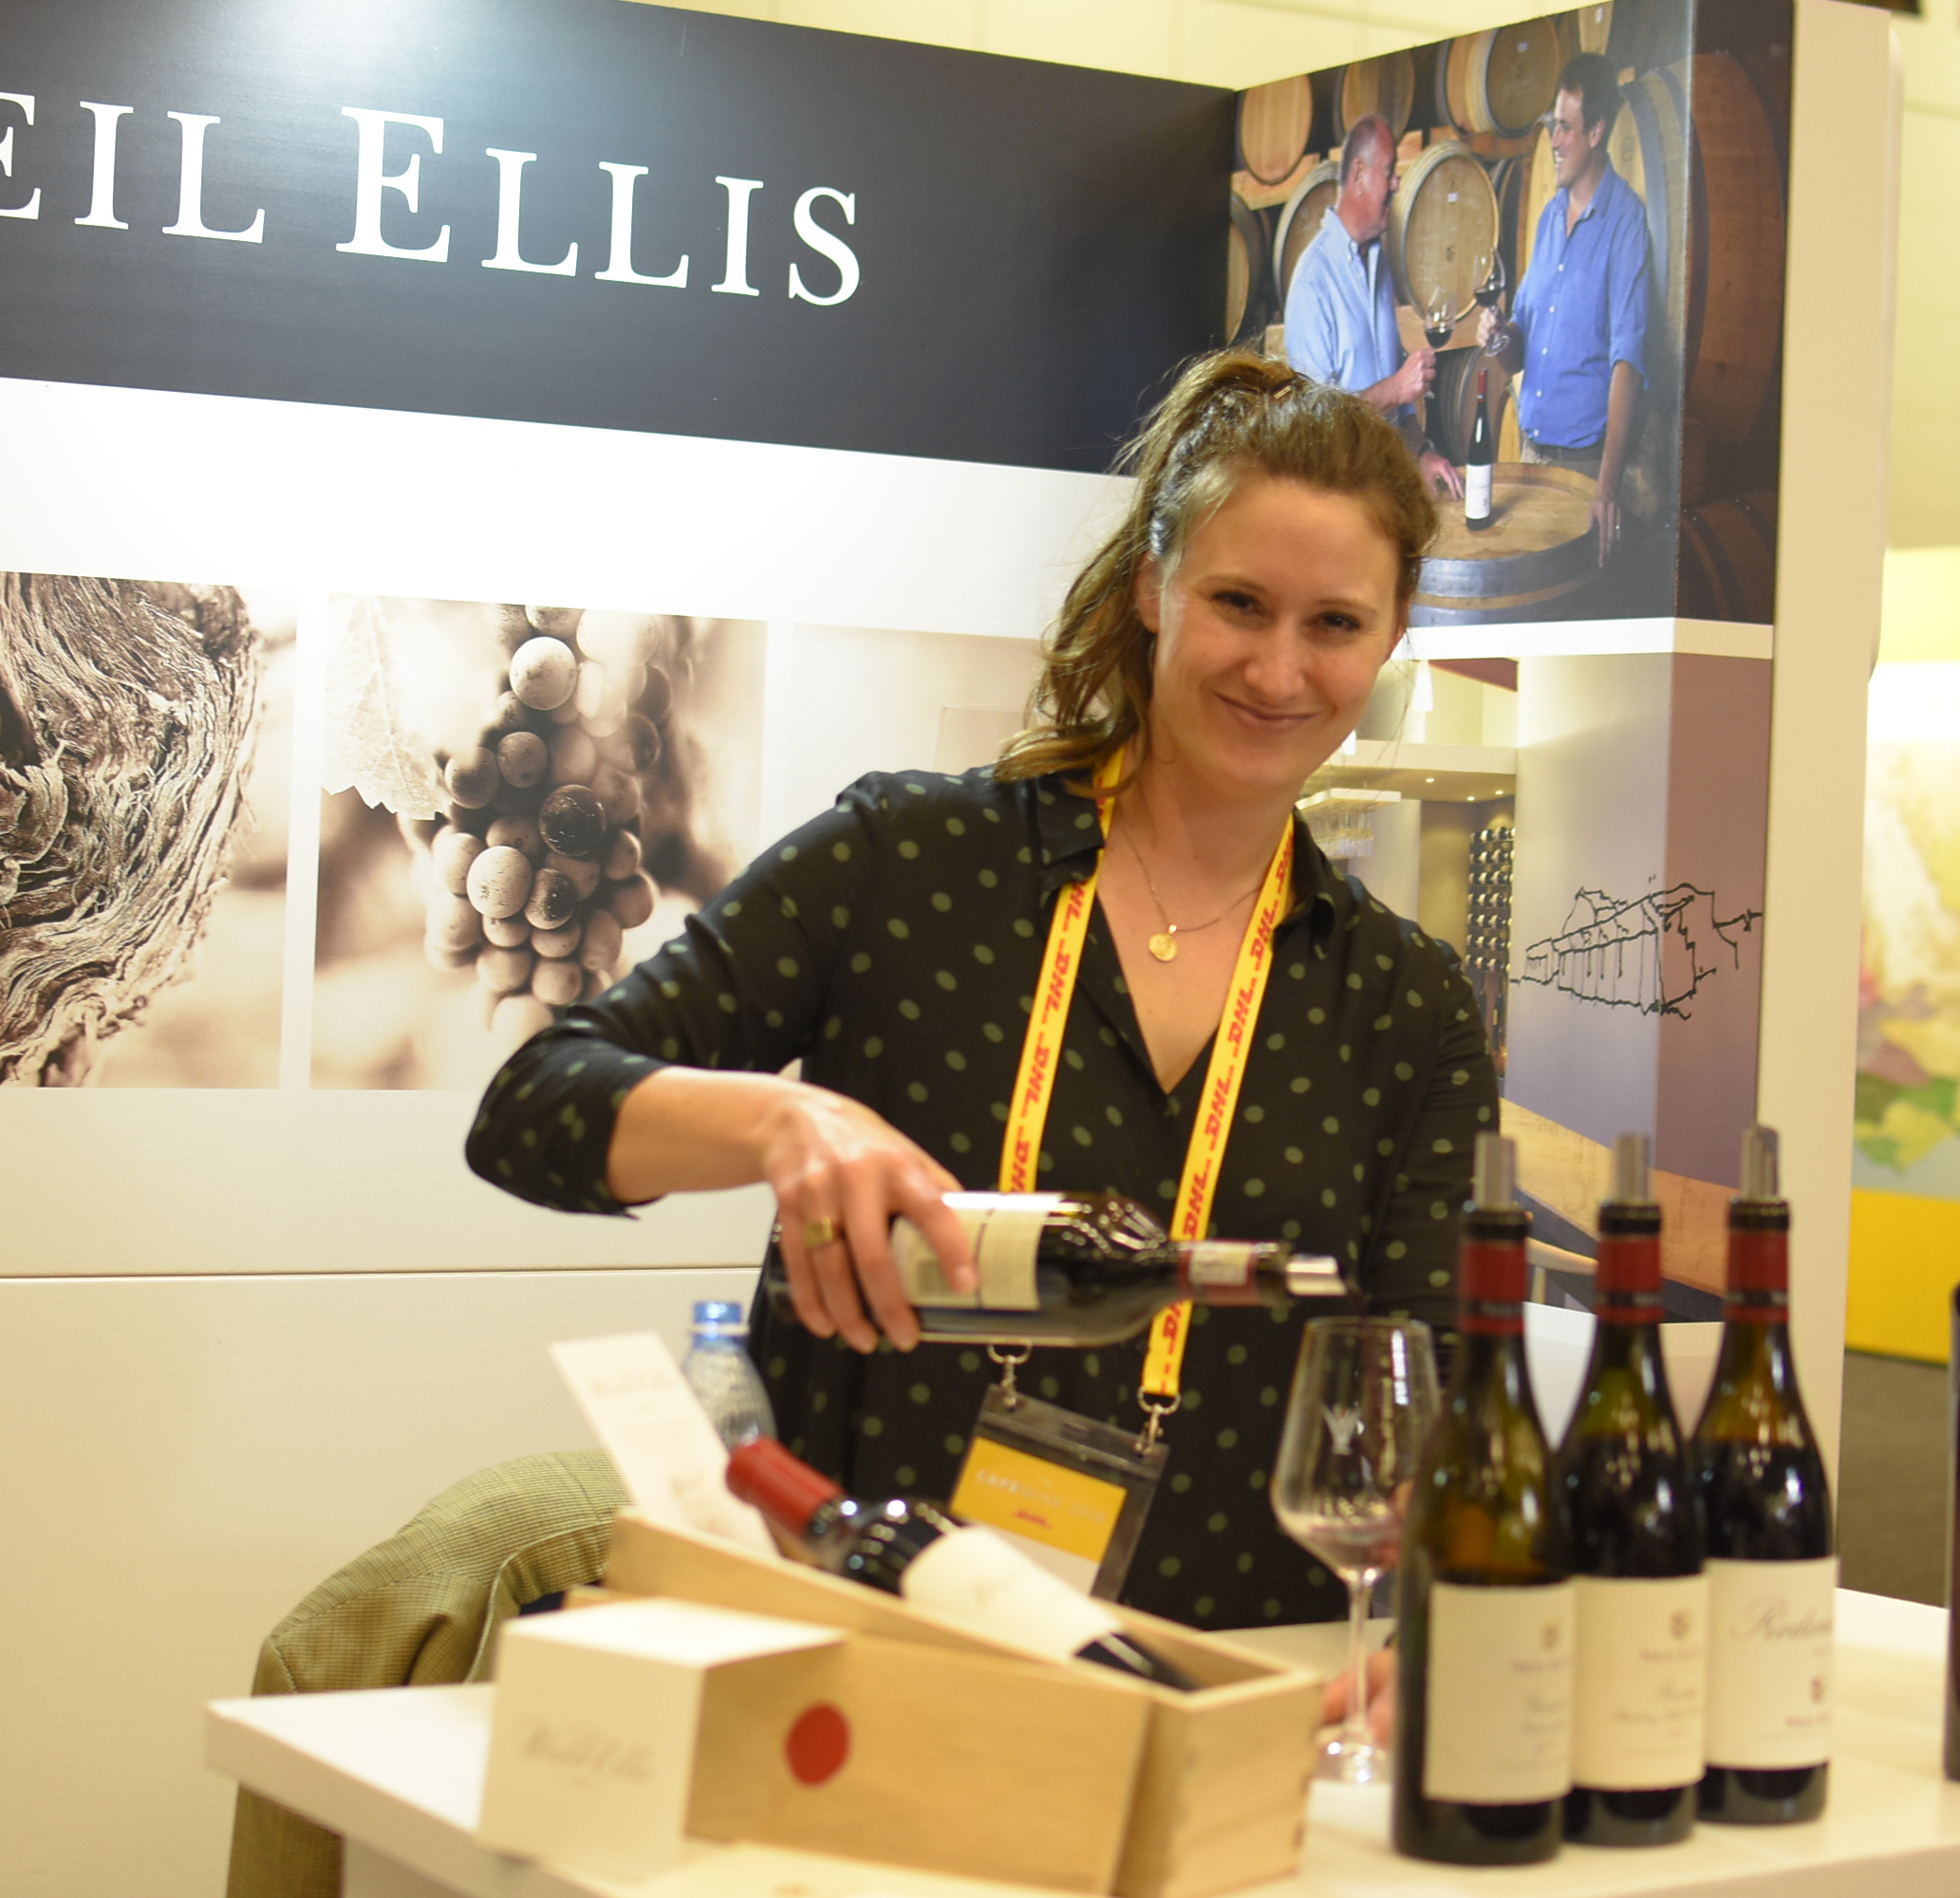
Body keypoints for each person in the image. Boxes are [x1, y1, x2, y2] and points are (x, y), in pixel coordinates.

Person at [467, 352, 1500, 1630]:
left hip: (1224, 1680)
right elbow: (530, 1110)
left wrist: (1430, 1634)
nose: (1280, 671)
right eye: (1239, 602)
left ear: (1391, 636)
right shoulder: (910, 862)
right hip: (858, 1655)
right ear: (1153, 589)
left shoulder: (1405, 1005)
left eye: (1334, 624)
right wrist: (784, 1123)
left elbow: (1433, 1387)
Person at [1474, 54, 1652, 564]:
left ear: (1596, 132)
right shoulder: (1550, 217)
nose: (1553, 141)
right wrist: (1499, 336)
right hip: (1532, 456)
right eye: (1553, 125)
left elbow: (1628, 362)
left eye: (1566, 128)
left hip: (1585, 468)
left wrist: (1606, 489)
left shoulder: (1625, 223)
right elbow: (1520, 346)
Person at [1281, 114, 1462, 503]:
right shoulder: (1314, 279)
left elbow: (1396, 391)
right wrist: (1396, 389)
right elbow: (1316, 421)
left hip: (1388, 489)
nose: (1397, 183)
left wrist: (1422, 452)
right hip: (1343, 500)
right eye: (1390, 171)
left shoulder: (1378, 263)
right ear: (1360, 175)